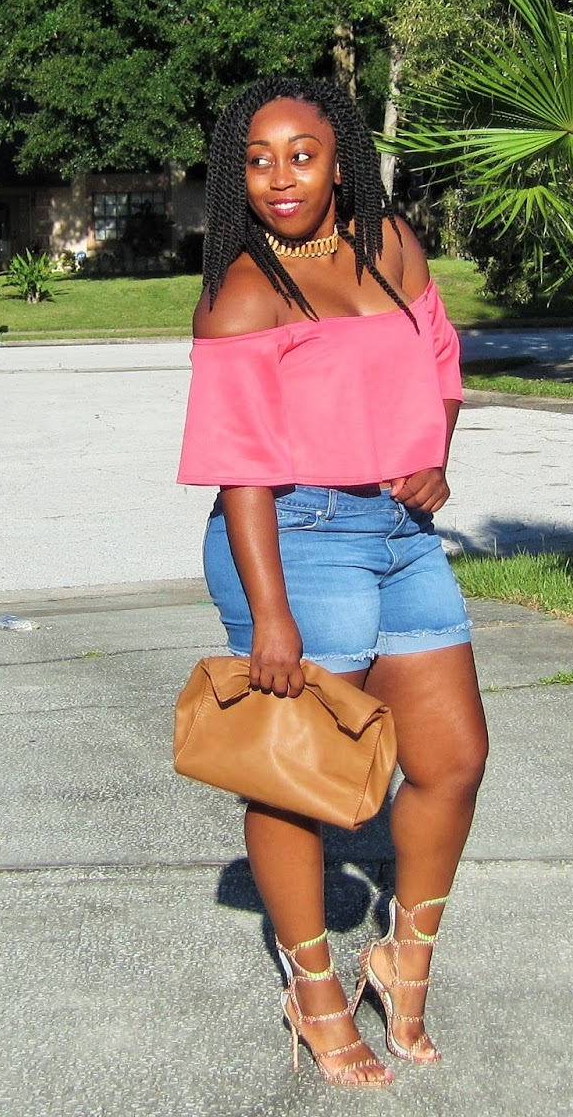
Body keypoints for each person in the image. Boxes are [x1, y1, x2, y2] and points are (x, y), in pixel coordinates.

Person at [177, 75, 488, 1088]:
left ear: (340, 157)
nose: (278, 177)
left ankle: (401, 955)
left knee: (452, 756)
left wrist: (433, 451)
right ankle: (312, 991)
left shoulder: (394, 246)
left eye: (300, 153)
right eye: (257, 157)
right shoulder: (244, 287)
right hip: (292, 533)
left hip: (402, 529)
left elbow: (440, 364)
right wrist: (271, 615)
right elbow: (240, 462)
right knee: (302, 773)